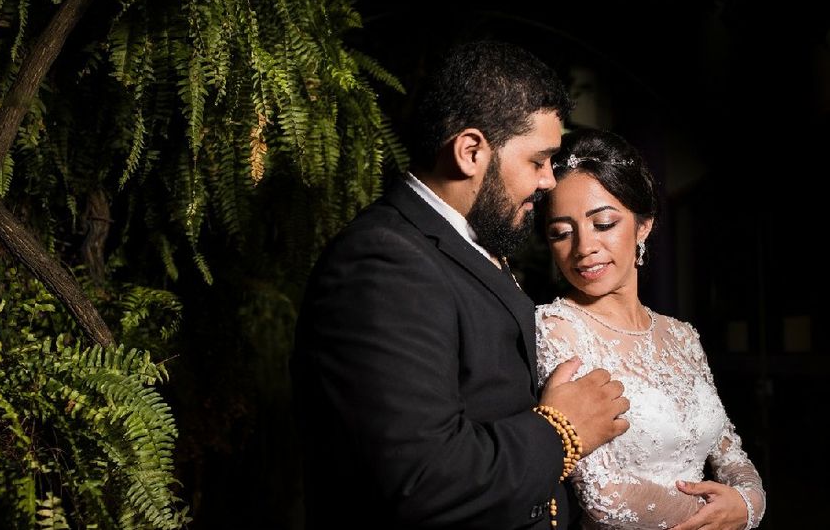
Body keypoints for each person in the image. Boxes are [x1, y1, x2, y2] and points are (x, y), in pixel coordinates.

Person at [290, 40, 630, 529]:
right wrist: (562, 430)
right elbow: (422, 478)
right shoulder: (383, 262)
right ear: (471, 151)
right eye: (538, 161)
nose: (549, 182)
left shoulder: (463, 245)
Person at [535, 128, 766, 530]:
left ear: (643, 227)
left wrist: (749, 504)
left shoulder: (682, 336)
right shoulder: (558, 329)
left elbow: (729, 453)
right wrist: (713, 516)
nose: (584, 246)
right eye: (562, 232)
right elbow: (604, 492)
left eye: (603, 223)